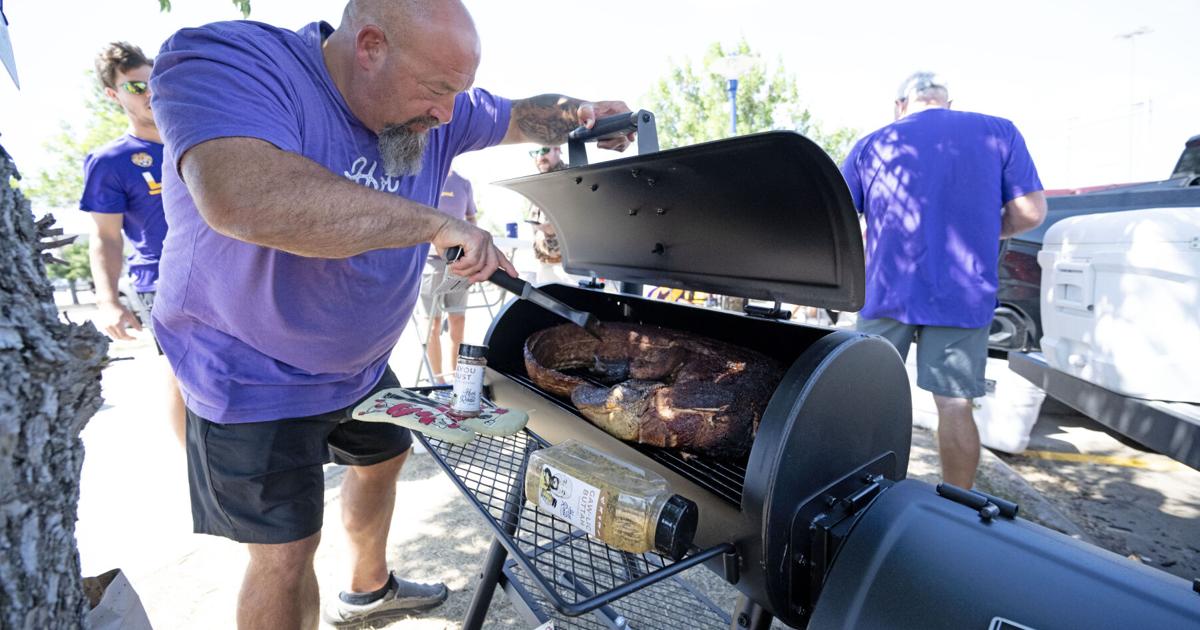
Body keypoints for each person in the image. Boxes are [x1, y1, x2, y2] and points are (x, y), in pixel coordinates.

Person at [148, 1, 634, 628]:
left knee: (383, 452)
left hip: (360, 366)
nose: (446, 113)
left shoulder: (441, 108)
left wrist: (583, 116)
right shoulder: (231, 62)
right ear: (370, 45)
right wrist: (434, 223)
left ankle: (368, 589)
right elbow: (246, 196)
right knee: (286, 554)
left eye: (458, 93)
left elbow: (519, 114)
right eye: (437, 90)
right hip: (247, 369)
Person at [840, 71, 1047, 489]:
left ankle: (859, 494)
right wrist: (992, 229)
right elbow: (1031, 212)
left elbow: (841, 218)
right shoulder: (998, 132)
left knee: (863, 402)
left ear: (901, 106)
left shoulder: (874, 143)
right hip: (962, 291)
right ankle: (956, 507)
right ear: (947, 103)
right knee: (954, 405)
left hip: (886, 291)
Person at [79, 41, 186, 446]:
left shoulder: (200, 141)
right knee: (185, 373)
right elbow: (105, 238)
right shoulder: (110, 161)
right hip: (163, 280)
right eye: (135, 87)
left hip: (228, 268)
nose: (149, 93)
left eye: (153, 81)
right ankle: (201, 472)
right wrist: (108, 300)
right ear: (113, 94)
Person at [419, 168, 476, 383]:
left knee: (458, 320)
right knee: (432, 324)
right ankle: (438, 381)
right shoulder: (426, 175)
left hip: (459, 262)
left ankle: (457, 379)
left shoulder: (463, 183)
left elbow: (471, 218)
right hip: (430, 261)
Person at [524, 145, 571, 283]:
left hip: (571, 269)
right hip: (545, 265)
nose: (540, 156)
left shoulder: (572, 176)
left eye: (544, 150)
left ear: (558, 149)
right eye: (535, 152)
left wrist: (555, 231)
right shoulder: (538, 184)